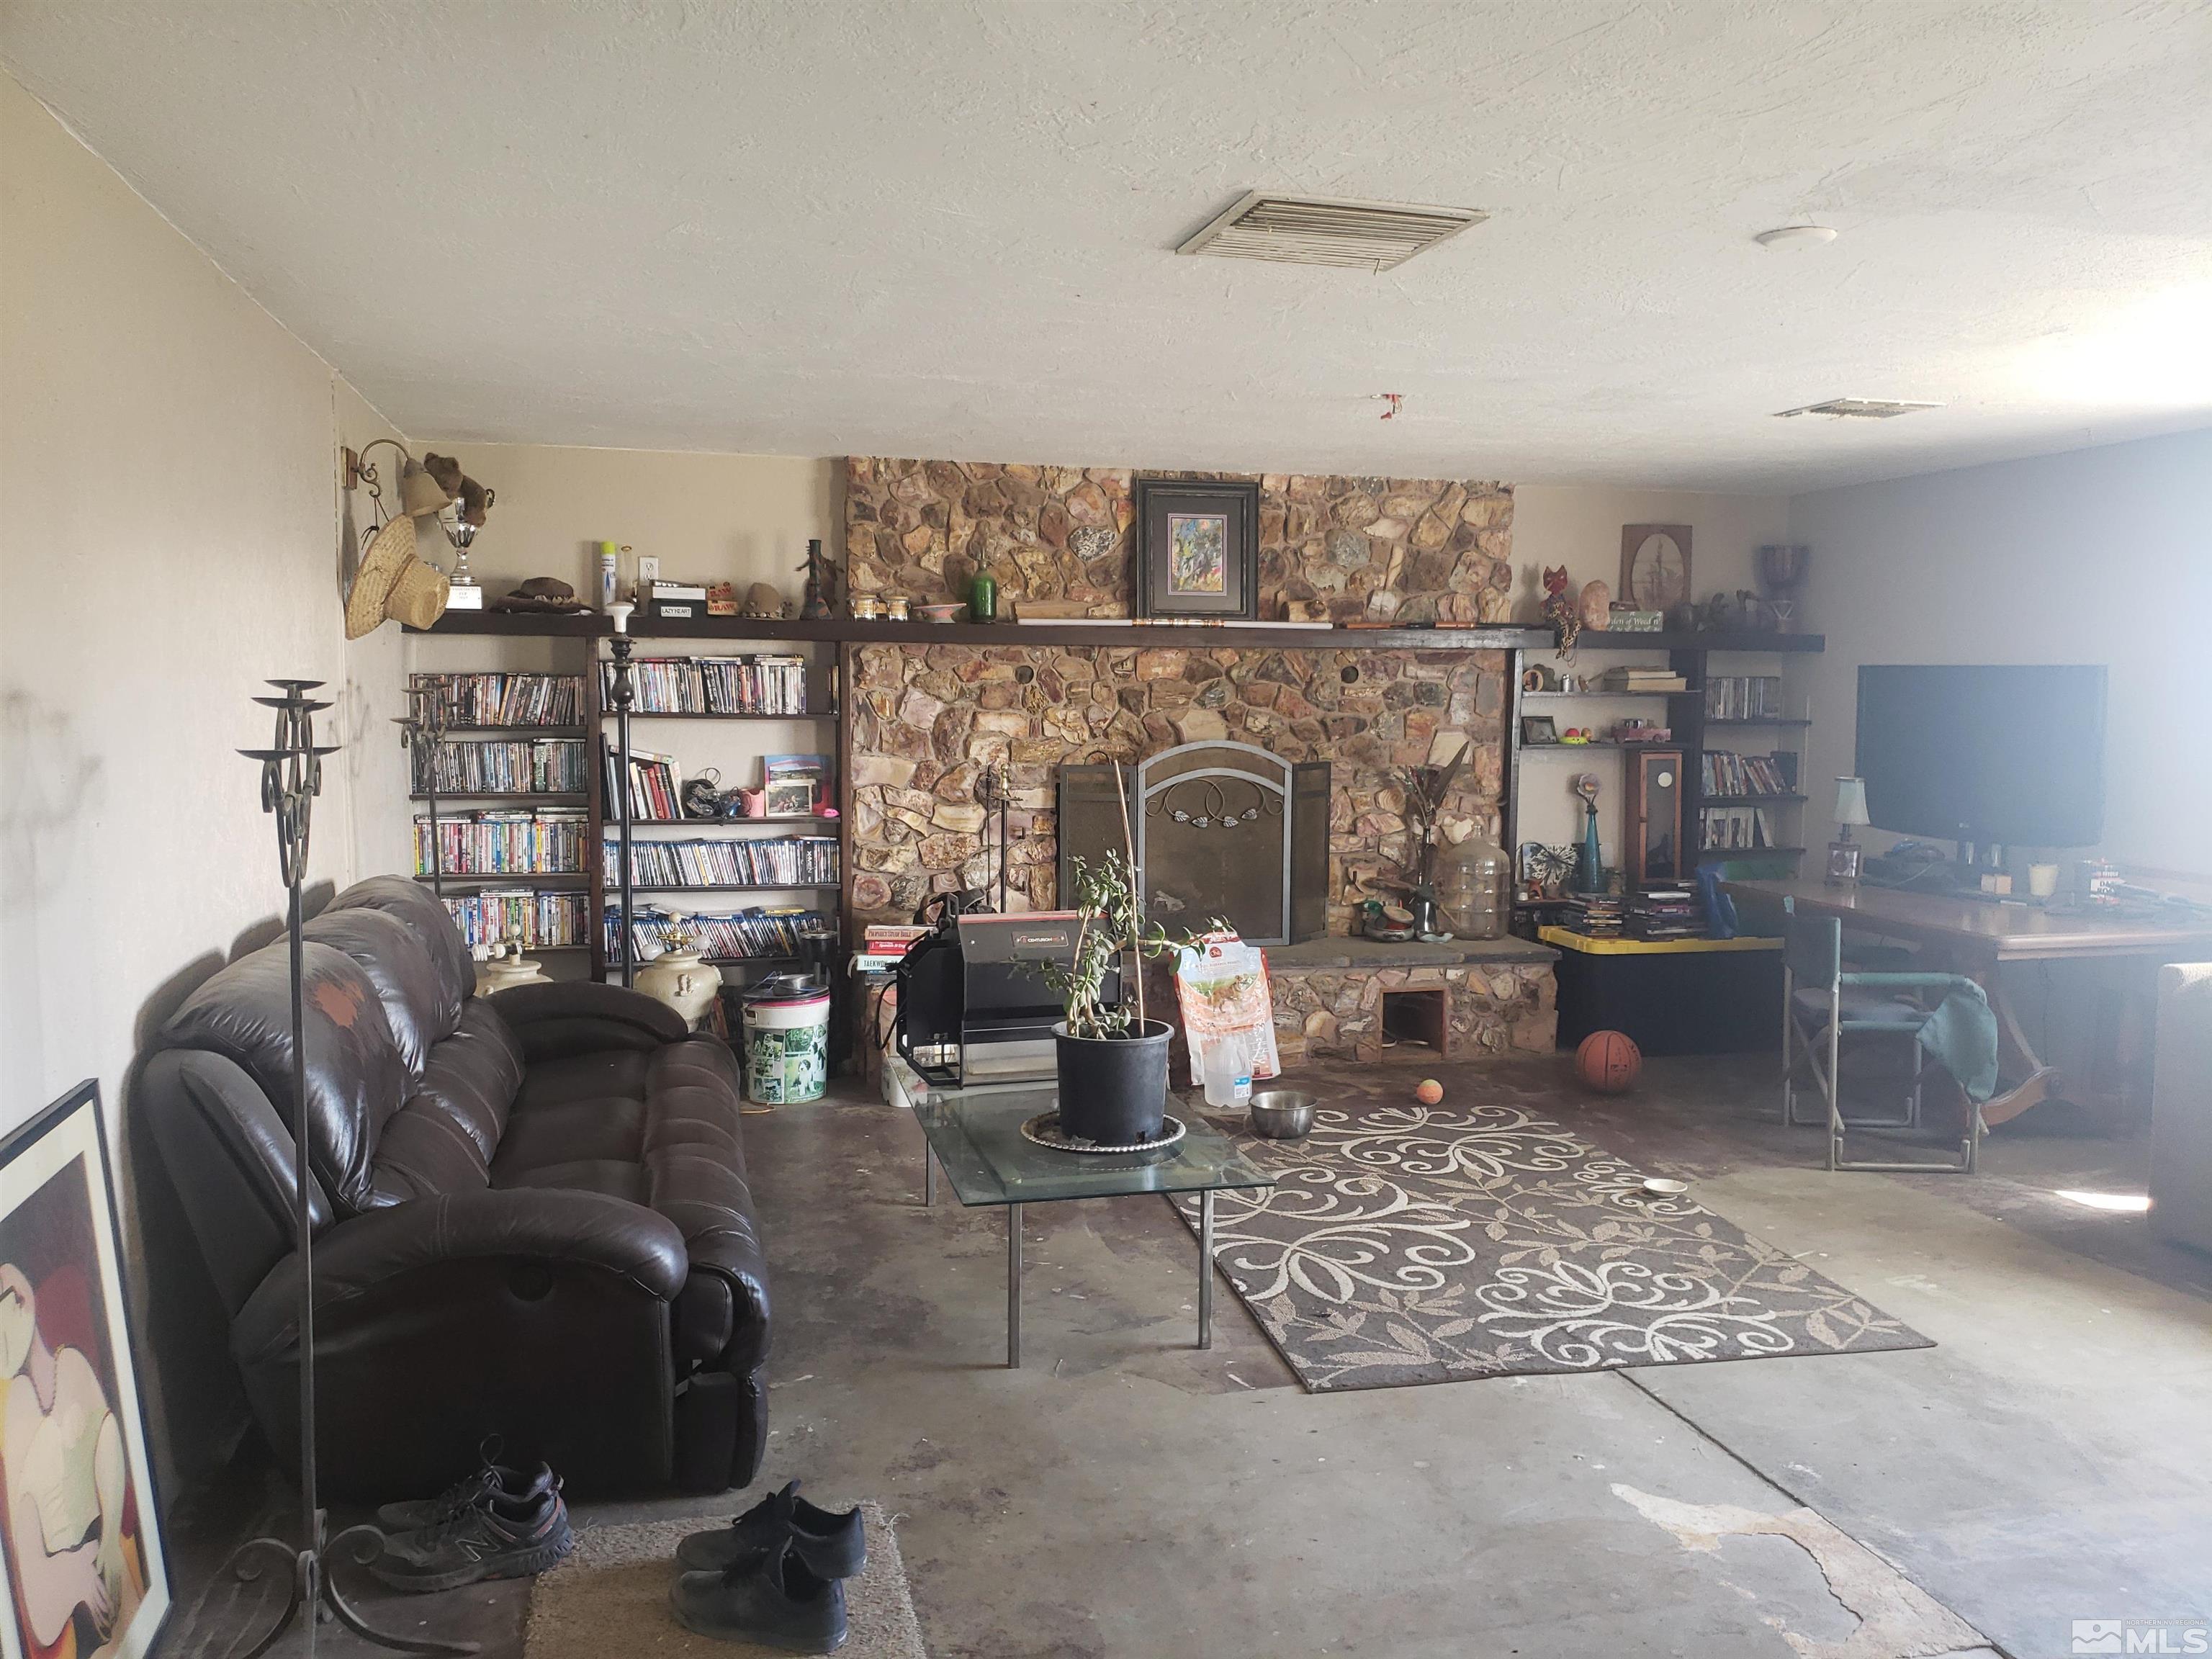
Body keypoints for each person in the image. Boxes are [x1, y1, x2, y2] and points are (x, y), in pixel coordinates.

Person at [0, 1262, 140, 1656]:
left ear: (20, 1302)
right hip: (63, 1582)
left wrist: (110, 1540)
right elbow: (25, 1547)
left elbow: (108, 1441)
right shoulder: (12, 1413)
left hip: (104, 1545)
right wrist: (74, 1571)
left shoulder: (72, 1365)